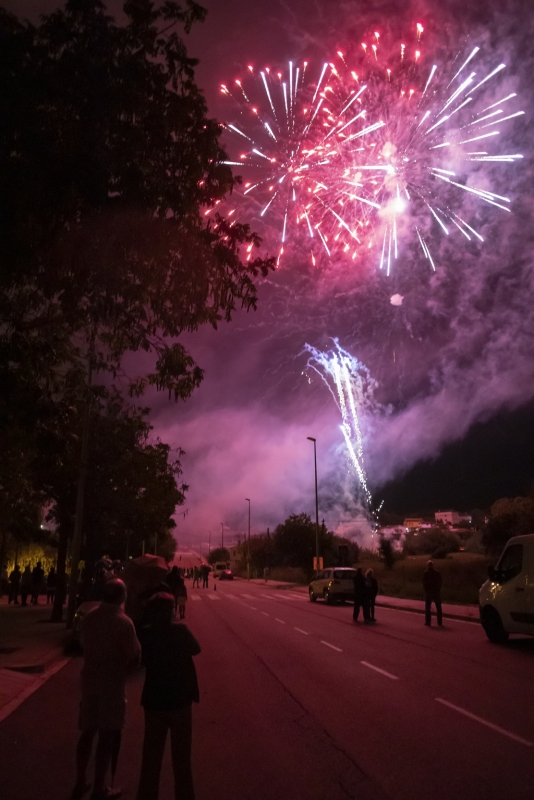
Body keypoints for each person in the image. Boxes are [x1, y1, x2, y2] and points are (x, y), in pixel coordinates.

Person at [72, 579, 141, 800]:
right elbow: (134, 655)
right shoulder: (124, 623)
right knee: (107, 736)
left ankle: (80, 780)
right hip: (111, 684)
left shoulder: (90, 617)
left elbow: (83, 644)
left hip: (90, 682)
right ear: (122, 596)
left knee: (87, 732)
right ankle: (100, 787)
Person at [136, 592, 200, 800]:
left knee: (151, 757)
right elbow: (196, 649)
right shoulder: (180, 631)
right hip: (180, 699)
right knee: (182, 759)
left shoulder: (146, 633)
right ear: (170, 611)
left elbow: (140, 659)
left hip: (154, 700)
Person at [423, 560, 443, 627]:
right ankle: (439, 622)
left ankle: (428, 621)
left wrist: (426, 590)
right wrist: (438, 590)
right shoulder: (437, 573)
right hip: (436, 592)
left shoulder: (426, 573)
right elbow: (440, 582)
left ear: (427, 566)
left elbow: (424, 583)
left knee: (428, 607)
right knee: (438, 607)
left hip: (429, 592)